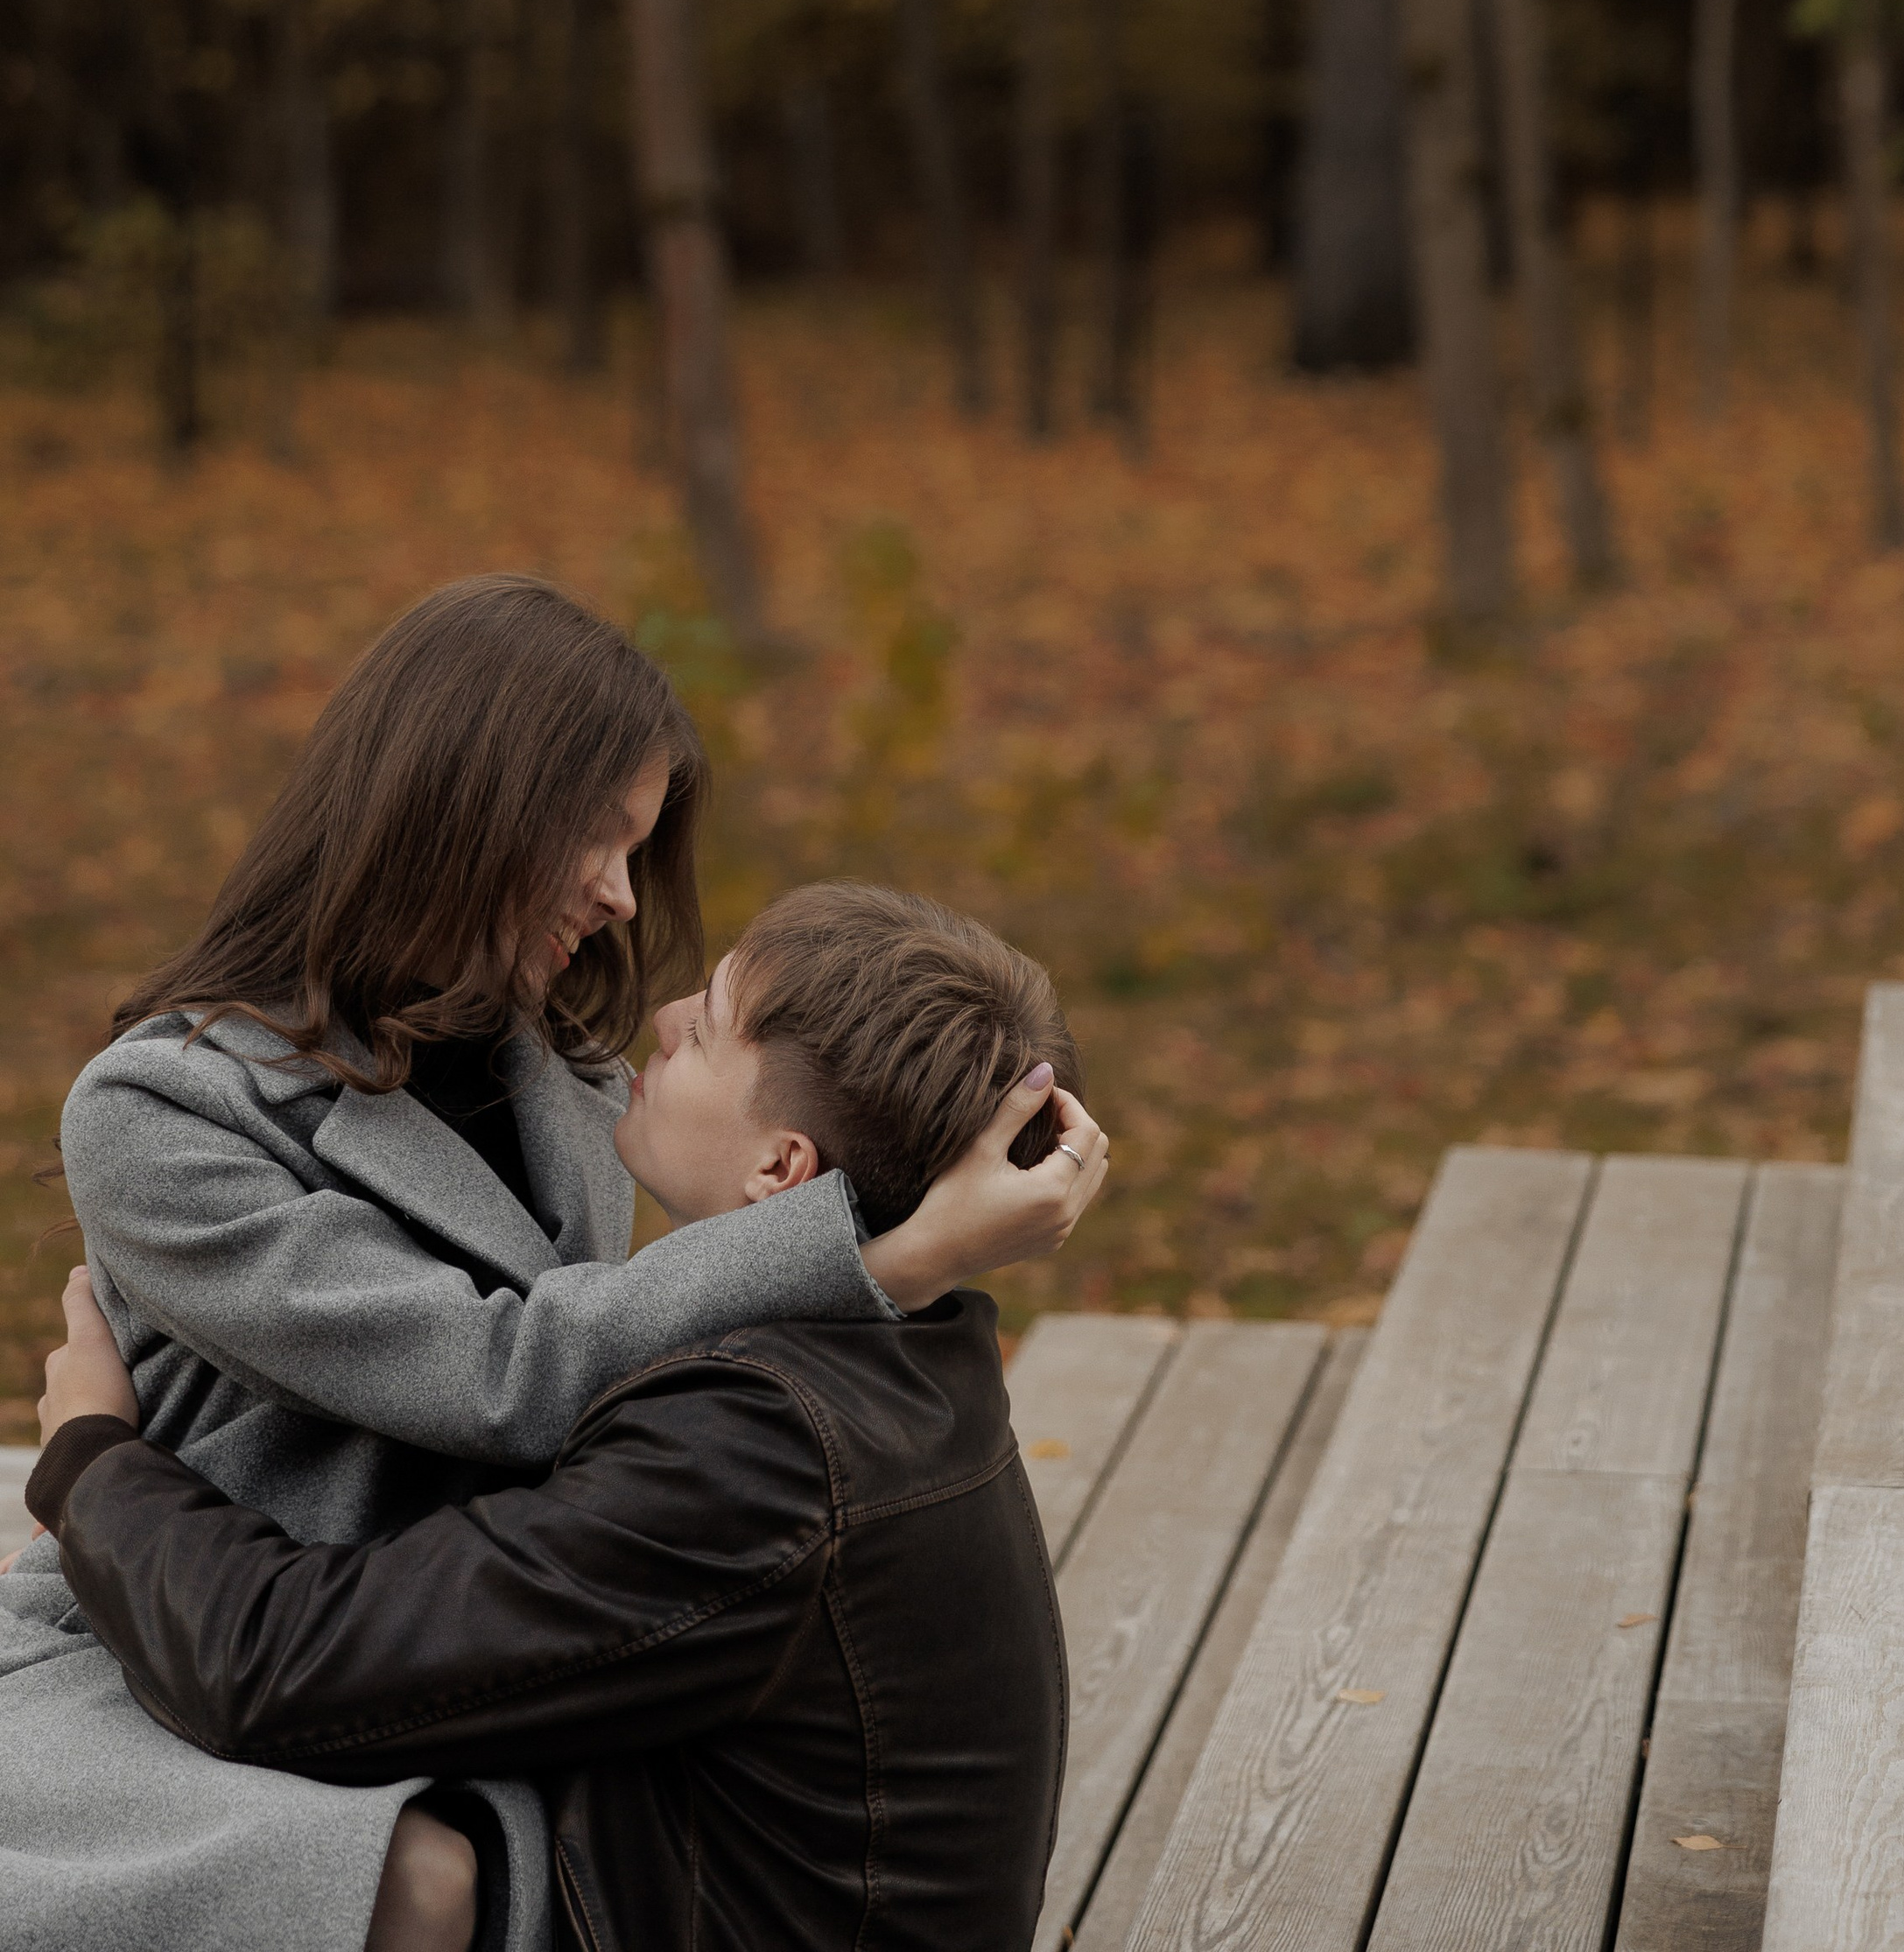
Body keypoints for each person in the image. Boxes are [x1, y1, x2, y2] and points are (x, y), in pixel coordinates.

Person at [0, 579, 1103, 1952]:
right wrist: (889, 1252)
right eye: (595, 839)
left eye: (638, 848)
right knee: (389, 1876)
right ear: (459, 802)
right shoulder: (165, 1113)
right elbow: (503, 1369)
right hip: (172, 1643)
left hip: (445, 1661)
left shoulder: (571, 1082)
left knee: (449, 1865)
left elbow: (599, 1404)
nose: (620, 896)